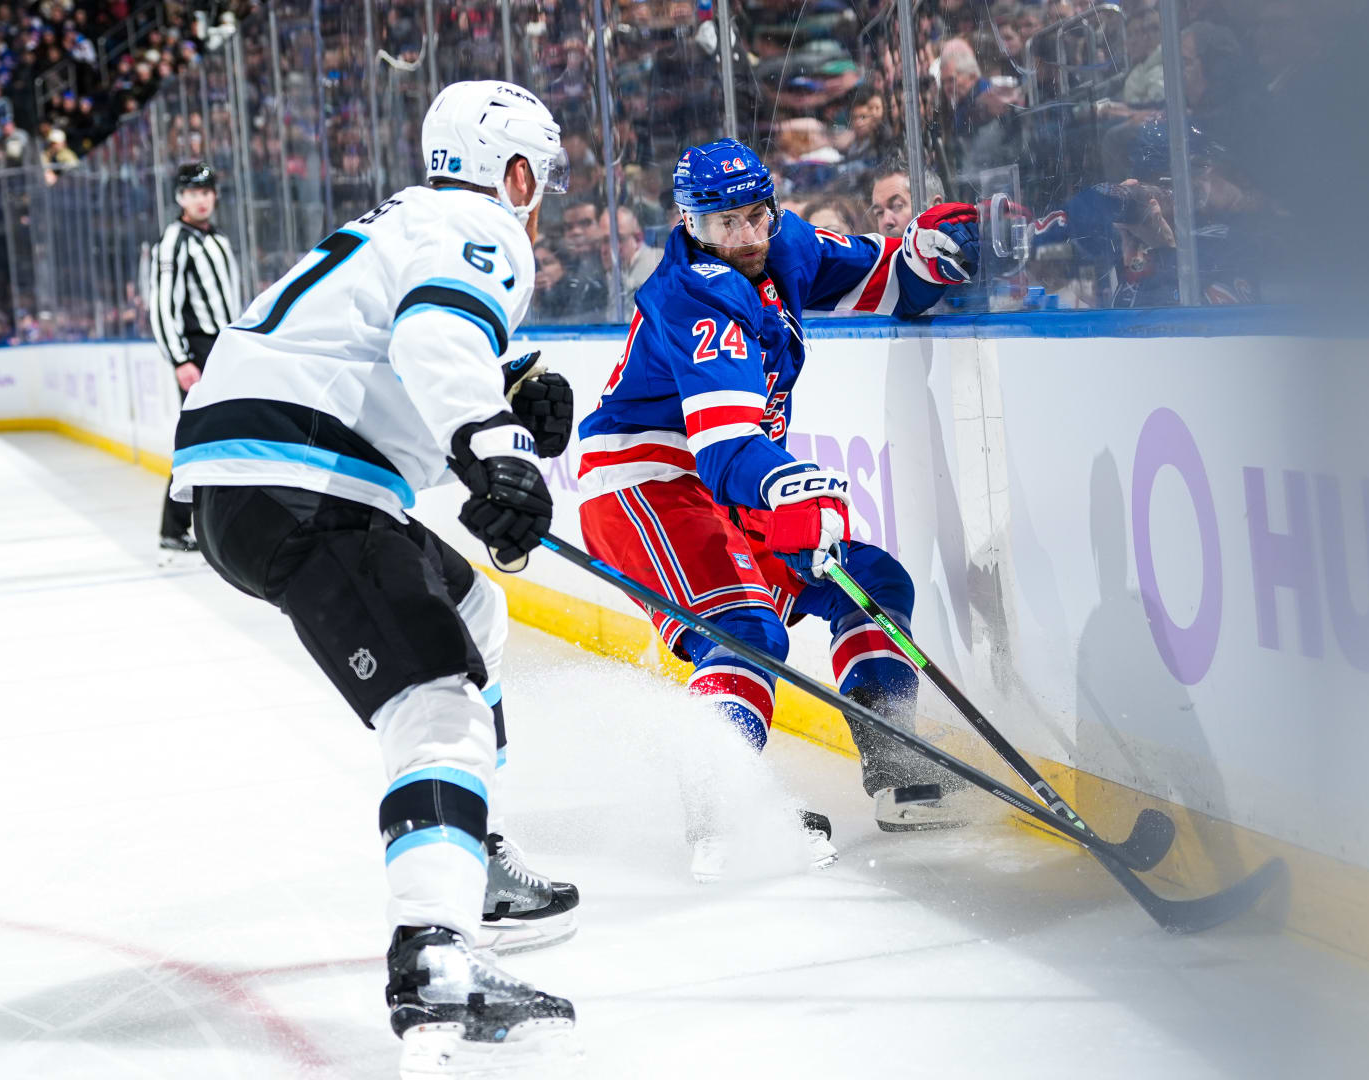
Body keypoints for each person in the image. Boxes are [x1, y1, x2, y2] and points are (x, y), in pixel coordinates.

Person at [167, 81, 581, 1071]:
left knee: (475, 610)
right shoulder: (483, 224)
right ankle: (435, 955)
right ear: (513, 173)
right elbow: (434, 338)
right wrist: (496, 444)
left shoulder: (406, 219)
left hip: (259, 476)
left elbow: (383, 354)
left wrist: (506, 396)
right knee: (439, 704)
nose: (539, 197)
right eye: (539, 176)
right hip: (300, 478)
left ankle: (473, 854)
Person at [574, 139, 981, 883]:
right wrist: (792, 485)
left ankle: (897, 765)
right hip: (647, 479)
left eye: (755, 216)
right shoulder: (692, 296)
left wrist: (929, 256)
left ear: (771, 206)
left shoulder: (784, 242)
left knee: (871, 582)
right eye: (721, 223)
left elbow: (889, 281)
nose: (743, 237)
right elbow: (728, 450)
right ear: (688, 222)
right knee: (744, 628)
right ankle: (722, 810)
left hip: (729, 482)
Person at [149, 162, 242, 564]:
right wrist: (180, 358)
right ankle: (174, 529)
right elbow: (161, 306)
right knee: (200, 436)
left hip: (225, 346)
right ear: (179, 198)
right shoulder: (174, 241)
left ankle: (215, 523)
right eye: (191, 193)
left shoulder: (216, 238)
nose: (200, 200)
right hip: (198, 350)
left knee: (224, 432)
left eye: (205, 192)